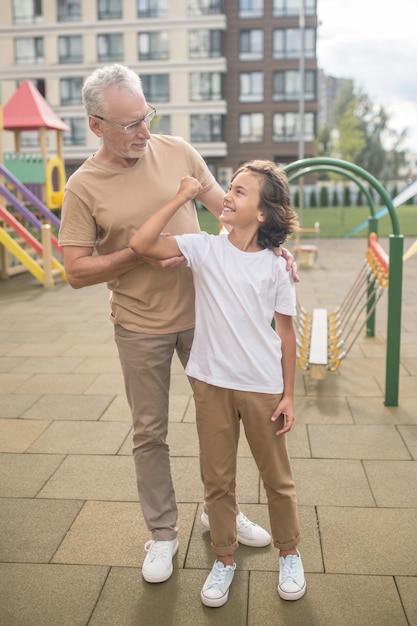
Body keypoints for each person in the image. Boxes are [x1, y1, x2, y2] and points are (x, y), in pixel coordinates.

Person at [58, 63, 298, 586]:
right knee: (151, 433)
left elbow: (232, 212)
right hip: (140, 324)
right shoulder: (83, 186)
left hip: (205, 320)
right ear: (96, 125)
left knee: (226, 423)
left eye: (147, 116)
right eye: (129, 124)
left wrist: (278, 250)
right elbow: (75, 272)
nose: (144, 131)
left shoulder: (178, 151)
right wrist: (136, 258)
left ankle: (222, 516)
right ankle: (163, 534)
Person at [130, 160, 306, 606]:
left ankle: (290, 553)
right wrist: (180, 197)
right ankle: (224, 559)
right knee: (218, 481)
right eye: (229, 187)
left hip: (263, 387)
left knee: (277, 479)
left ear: (263, 213)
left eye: (240, 191)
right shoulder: (204, 249)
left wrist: (288, 394)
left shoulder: (276, 267)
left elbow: (286, 335)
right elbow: (142, 242)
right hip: (211, 385)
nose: (227, 195)